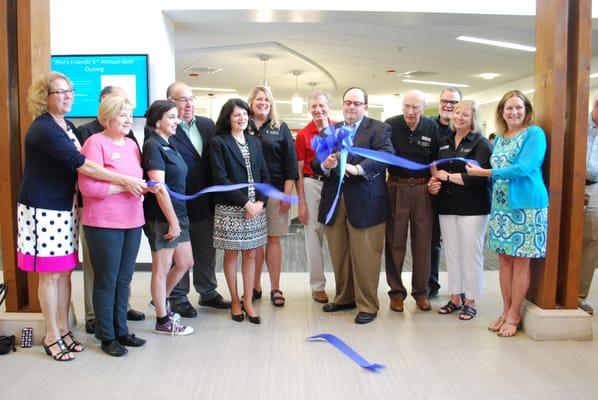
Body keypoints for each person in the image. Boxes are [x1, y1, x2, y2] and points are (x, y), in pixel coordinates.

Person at [16, 71, 146, 361]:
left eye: (70, 91)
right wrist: (125, 181)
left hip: (65, 209)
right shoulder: (44, 128)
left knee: (64, 273)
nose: (67, 96)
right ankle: (52, 334)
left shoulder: (68, 127)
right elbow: (81, 165)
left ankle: (64, 330)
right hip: (42, 208)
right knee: (50, 275)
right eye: (60, 92)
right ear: (44, 97)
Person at [466, 90, 548, 337]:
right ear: (501, 112)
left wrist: (484, 173)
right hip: (501, 207)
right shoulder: (500, 138)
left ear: (526, 110)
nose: (514, 112)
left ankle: (514, 314)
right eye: (509, 108)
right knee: (504, 262)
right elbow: (498, 166)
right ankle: (505, 311)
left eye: (518, 108)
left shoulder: (534, 134)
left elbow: (523, 168)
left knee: (521, 262)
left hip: (527, 207)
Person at [311, 87, 394, 324]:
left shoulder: (379, 129)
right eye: (348, 102)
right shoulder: (332, 130)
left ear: (365, 107)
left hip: (366, 202)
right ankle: (344, 297)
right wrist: (325, 164)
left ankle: (367, 304)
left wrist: (358, 169)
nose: (351, 107)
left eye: (357, 103)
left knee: (366, 257)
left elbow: (385, 156)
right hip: (335, 203)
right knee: (339, 254)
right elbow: (316, 162)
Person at [78, 95, 149, 356]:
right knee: (106, 280)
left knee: (124, 279)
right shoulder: (94, 143)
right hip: (104, 223)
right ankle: (106, 335)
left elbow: (136, 179)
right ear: (107, 117)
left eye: (130, 114)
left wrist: (143, 186)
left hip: (133, 220)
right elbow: (88, 186)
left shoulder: (131, 144)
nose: (128, 119)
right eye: (122, 114)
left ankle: (121, 330)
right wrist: (126, 185)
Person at [166, 82, 230, 318]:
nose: (189, 103)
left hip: (206, 200)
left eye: (191, 98)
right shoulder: (165, 127)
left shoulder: (206, 125)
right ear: (171, 102)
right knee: (180, 252)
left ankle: (207, 291)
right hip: (179, 200)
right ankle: (178, 295)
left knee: (206, 248)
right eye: (183, 99)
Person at [428, 100, 492, 320]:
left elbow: (477, 178)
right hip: (447, 206)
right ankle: (456, 297)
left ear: (473, 118)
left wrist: (447, 177)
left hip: (473, 208)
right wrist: (435, 179)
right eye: (457, 113)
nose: (459, 117)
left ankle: (471, 300)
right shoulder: (444, 141)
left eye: (465, 114)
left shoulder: (481, 144)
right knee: (452, 254)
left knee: (471, 254)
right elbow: (435, 168)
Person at [209, 98, 270, 324]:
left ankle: (248, 301)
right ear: (228, 118)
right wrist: (247, 204)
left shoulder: (255, 142)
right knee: (232, 254)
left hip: (256, 207)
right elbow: (221, 179)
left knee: (252, 253)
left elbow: (265, 175)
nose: (242, 118)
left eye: (244, 114)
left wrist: (260, 203)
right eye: (237, 114)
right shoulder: (218, 142)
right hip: (231, 207)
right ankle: (235, 300)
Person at [384, 90, 439, 313]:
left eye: (415, 107)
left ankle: (421, 292)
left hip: (422, 188)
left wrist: (435, 180)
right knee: (395, 241)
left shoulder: (431, 127)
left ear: (423, 108)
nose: (410, 111)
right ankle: (396, 293)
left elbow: (435, 159)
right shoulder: (390, 125)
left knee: (423, 243)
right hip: (396, 186)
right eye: (407, 106)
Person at [142, 100, 194, 336]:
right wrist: (172, 221)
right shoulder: (153, 146)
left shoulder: (168, 144)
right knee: (160, 269)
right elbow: (159, 188)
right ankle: (162, 320)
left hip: (179, 213)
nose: (176, 121)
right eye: (171, 117)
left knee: (185, 262)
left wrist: (178, 218)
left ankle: (159, 299)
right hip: (163, 217)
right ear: (157, 121)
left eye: (176, 117)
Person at [248, 85, 298, 307]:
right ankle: (254, 286)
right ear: (251, 102)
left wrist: (287, 195)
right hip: (250, 195)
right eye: (259, 99)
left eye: (267, 99)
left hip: (276, 192)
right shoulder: (242, 125)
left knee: (273, 239)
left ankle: (276, 287)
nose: (263, 103)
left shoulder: (280, 128)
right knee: (254, 243)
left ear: (272, 103)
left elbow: (290, 162)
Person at [295, 91, 334, 303]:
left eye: (321, 105)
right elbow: (299, 171)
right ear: (309, 109)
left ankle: (345, 285)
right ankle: (317, 285)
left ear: (329, 105)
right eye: (313, 107)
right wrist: (301, 202)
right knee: (313, 235)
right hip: (312, 184)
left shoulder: (339, 129)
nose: (318, 110)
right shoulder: (303, 135)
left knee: (338, 236)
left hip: (336, 184)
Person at [429, 87, 462, 298]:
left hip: (459, 194)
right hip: (433, 191)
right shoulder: (429, 126)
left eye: (453, 102)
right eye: (445, 101)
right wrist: (433, 177)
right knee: (432, 242)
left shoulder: (464, 127)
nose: (448, 105)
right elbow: (428, 158)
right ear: (439, 102)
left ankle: (459, 290)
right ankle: (431, 285)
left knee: (457, 245)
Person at [578, 91, 598, 315]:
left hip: (595, 185)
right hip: (567, 185)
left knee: (592, 238)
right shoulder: (577, 123)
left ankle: (578, 294)